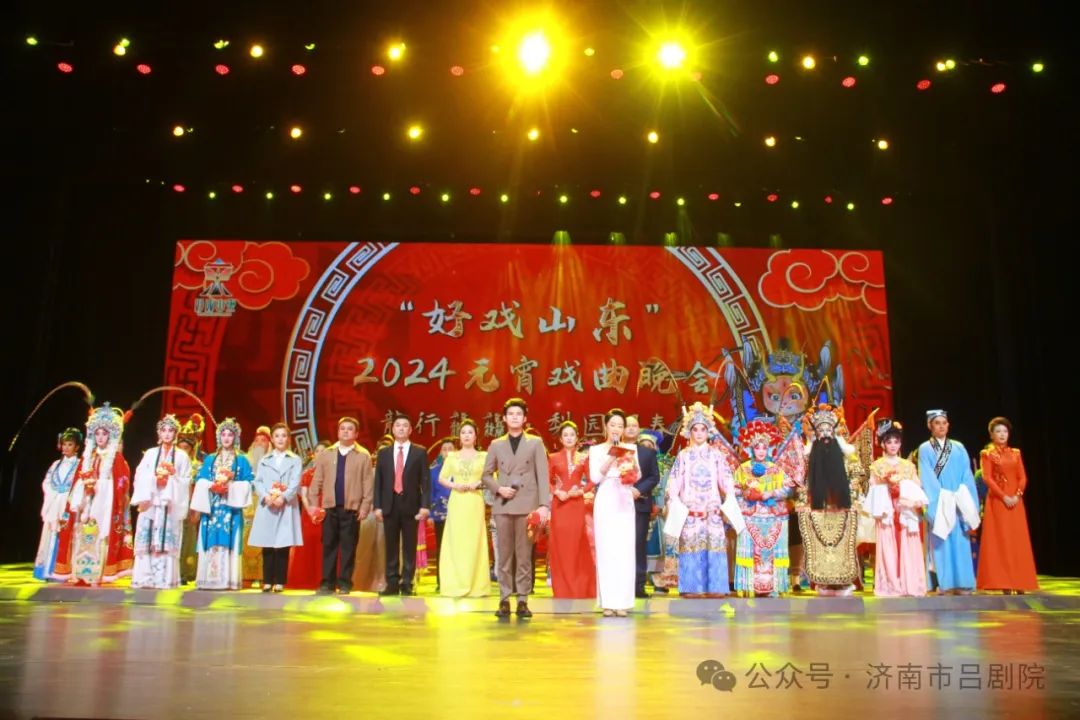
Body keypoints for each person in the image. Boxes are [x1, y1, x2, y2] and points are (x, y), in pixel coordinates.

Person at [481, 398, 550, 618]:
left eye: (518, 414)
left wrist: (544, 505)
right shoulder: (496, 444)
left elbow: (543, 475)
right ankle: (504, 599)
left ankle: (522, 600)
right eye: (510, 414)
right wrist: (499, 489)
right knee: (504, 555)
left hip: (527, 504)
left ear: (525, 418)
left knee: (524, 555)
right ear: (504, 418)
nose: (514, 417)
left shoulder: (535, 443)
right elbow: (485, 475)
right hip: (503, 504)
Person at [665, 402, 741, 598]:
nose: (699, 433)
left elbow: (726, 479)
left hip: (712, 510)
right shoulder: (683, 456)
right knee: (691, 545)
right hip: (690, 511)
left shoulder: (716, 455)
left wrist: (729, 496)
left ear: (709, 431)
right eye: (695, 429)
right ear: (689, 431)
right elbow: (674, 480)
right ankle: (692, 587)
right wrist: (674, 500)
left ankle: (716, 587)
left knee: (714, 545)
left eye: (703, 429)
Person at [60, 403, 134, 586]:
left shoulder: (116, 458)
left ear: (110, 436)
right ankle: (80, 573)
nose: (100, 437)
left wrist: (100, 485)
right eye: (97, 434)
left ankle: (99, 573)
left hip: (105, 502)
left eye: (104, 434)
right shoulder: (88, 457)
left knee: (101, 535)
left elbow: (122, 482)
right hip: (86, 501)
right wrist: (84, 484)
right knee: (82, 534)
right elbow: (77, 480)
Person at [799, 403, 860, 596]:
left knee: (843, 545)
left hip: (842, 506)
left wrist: (853, 489)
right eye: (821, 431)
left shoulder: (844, 453)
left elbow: (856, 472)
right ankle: (822, 582)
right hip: (817, 506)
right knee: (818, 546)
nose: (825, 435)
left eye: (828, 431)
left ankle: (843, 582)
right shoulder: (809, 455)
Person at [309, 417, 373, 595]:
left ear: (356, 433)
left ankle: (345, 582)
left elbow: (368, 484)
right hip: (329, 508)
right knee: (328, 546)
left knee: (348, 547)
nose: (345, 431)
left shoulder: (363, 455)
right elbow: (317, 481)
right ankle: (327, 583)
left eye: (350, 429)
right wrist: (314, 506)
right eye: (342, 428)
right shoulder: (327, 453)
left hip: (351, 509)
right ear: (337, 432)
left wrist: (364, 507)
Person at [863, 419, 928, 597]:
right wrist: (888, 487)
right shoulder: (877, 466)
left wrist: (904, 492)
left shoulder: (908, 465)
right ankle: (890, 584)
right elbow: (874, 489)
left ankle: (910, 584)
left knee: (908, 544)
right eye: (889, 442)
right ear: (883, 444)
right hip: (887, 511)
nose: (893, 445)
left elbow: (916, 487)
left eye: (896, 441)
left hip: (905, 509)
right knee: (888, 545)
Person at [918, 410, 980, 594]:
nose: (941, 426)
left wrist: (963, 497)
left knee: (960, 543)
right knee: (941, 542)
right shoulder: (925, 449)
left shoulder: (959, 447)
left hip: (959, 500)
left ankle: (963, 583)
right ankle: (944, 583)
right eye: (937, 423)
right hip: (940, 502)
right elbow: (927, 478)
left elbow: (967, 475)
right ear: (930, 426)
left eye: (944, 423)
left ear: (948, 425)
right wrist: (941, 499)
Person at [190, 418, 254, 590]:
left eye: (230, 435)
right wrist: (212, 486)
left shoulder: (242, 460)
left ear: (235, 437)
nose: (226, 438)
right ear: (219, 437)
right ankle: (208, 580)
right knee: (210, 539)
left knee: (230, 540)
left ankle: (228, 580)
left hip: (230, 508)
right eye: (223, 434)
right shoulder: (210, 459)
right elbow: (200, 479)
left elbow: (249, 482)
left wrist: (231, 485)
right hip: (212, 507)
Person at [976, 417, 1038, 594]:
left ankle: (1020, 581)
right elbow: (987, 478)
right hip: (998, 501)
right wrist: (1003, 497)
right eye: (998, 431)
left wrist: (1017, 495)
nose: (1002, 434)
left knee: (1017, 540)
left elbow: (1022, 477)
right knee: (1002, 540)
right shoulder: (987, 454)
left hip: (1016, 502)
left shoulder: (1016, 453)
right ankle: (1005, 582)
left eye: (1005, 431)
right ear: (992, 435)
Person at [131, 414, 193, 589]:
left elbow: (186, 480)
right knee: (147, 538)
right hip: (151, 503)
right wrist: (154, 479)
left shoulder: (182, 456)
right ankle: (144, 578)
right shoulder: (150, 454)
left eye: (170, 430)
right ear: (159, 433)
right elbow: (139, 475)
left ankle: (165, 579)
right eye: (163, 430)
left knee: (167, 539)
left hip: (169, 505)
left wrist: (173, 477)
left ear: (175, 433)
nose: (167, 434)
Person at [733, 420, 793, 597]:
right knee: (752, 553)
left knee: (771, 553)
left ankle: (774, 587)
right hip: (750, 517)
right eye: (757, 447)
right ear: (751, 449)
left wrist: (771, 493)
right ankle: (749, 586)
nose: (761, 451)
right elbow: (734, 489)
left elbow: (788, 488)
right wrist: (746, 492)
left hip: (773, 517)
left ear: (769, 449)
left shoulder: (776, 469)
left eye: (764, 447)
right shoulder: (743, 469)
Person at [589, 409, 640, 616]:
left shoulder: (631, 448)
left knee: (624, 550)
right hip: (606, 498)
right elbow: (594, 478)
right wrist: (612, 457)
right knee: (606, 549)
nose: (617, 429)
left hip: (624, 498)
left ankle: (623, 603)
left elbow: (638, 475)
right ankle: (608, 602)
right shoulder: (596, 450)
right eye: (613, 425)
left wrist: (631, 468)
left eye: (620, 425)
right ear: (606, 427)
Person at [374, 413, 430, 596]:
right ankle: (391, 583)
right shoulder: (384, 453)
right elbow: (378, 481)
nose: (401, 428)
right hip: (389, 504)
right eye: (398, 425)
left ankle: (407, 582)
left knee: (409, 546)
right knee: (391, 546)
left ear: (410, 429)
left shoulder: (419, 452)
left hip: (411, 505)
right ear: (393, 429)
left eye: (405, 425)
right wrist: (377, 506)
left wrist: (425, 506)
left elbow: (425, 481)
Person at [437, 420, 490, 597]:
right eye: (463, 432)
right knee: (456, 540)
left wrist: (478, 483)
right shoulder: (452, 457)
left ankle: (476, 585)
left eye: (470, 432)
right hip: (457, 501)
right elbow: (442, 478)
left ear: (476, 436)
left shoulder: (484, 456)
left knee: (474, 540)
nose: (466, 435)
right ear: (459, 437)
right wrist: (455, 485)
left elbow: (490, 476)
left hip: (475, 500)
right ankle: (455, 583)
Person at [249, 423, 303, 592]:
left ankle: (279, 581)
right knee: (267, 542)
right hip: (268, 505)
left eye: (284, 436)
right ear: (272, 439)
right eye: (277, 436)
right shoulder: (265, 460)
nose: (280, 439)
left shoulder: (295, 460)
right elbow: (258, 481)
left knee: (282, 544)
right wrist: (266, 496)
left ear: (289, 439)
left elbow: (295, 482)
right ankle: (267, 580)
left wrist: (283, 497)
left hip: (285, 506)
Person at [547, 420, 595, 599]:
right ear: (560, 439)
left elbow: (592, 480)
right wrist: (557, 492)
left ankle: (578, 587)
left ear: (577, 438)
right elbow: (546, 480)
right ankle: (562, 588)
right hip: (559, 505)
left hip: (576, 505)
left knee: (576, 545)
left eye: (572, 435)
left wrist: (580, 491)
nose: (569, 438)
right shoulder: (552, 457)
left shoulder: (584, 458)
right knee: (560, 545)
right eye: (565, 435)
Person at [33, 427, 82, 581]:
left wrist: (68, 498)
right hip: (54, 502)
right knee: (51, 534)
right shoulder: (55, 465)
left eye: (70, 444)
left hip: (69, 503)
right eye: (64, 444)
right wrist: (52, 494)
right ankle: (47, 570)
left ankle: (64, 571)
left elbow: (80, 484)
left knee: (67, 535)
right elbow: (47, 482)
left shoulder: (80, 464)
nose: (66, 447)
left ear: (77, 447)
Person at [624, 414, 661, 598]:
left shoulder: (648, 452)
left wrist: (638, 490)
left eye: (634, 425)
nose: (631, 428)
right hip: (618, 505)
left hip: (640, 503)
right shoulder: (615, 451)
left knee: (638, 545)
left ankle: (638, 585)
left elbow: (654, 477)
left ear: (639, 429)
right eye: (627, 425)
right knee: (621, 544)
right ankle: (620, 584)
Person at [289, 441, 328, 590]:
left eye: (324, 451)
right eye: (317, 451)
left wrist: (324, 510)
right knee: (308, 545)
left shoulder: (332, 474)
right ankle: (306, 580)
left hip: (327, 511)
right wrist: (311, 510)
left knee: (325, 545)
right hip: (309, 513)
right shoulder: (307, 473)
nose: (320, 454)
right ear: (313, 454)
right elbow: (304, 495)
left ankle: (325, 580)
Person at [176, 414, 206, 584]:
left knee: (189, 538)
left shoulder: (198, 466)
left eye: (186, 448)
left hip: (191, 505)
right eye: (179, 447)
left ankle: (186, 572)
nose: (182, 451)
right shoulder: (171, 464)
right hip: (174, 504)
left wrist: (197, 509)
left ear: (192, 449)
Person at [242, 426, 272, 587]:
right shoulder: (245, 461)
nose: (260, 443)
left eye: (264, 440)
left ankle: (262, 576)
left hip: (265, 505)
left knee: (263, 541)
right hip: (247, 505)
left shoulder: (273, 461)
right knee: (245, 540)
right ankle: (245, 576)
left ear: (269, 444)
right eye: (257, 440)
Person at [430, 438, 455, 591]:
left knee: (456, 547)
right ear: (440, 452)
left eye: (450, 449)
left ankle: (456, 580)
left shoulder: (460, 470)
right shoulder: (433, 471)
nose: (447, 452)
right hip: (439, 513)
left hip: (457, 513)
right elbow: (430, 493)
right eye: (444, 449)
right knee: (441, 546)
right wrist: (430, 514)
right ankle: (441, 581)